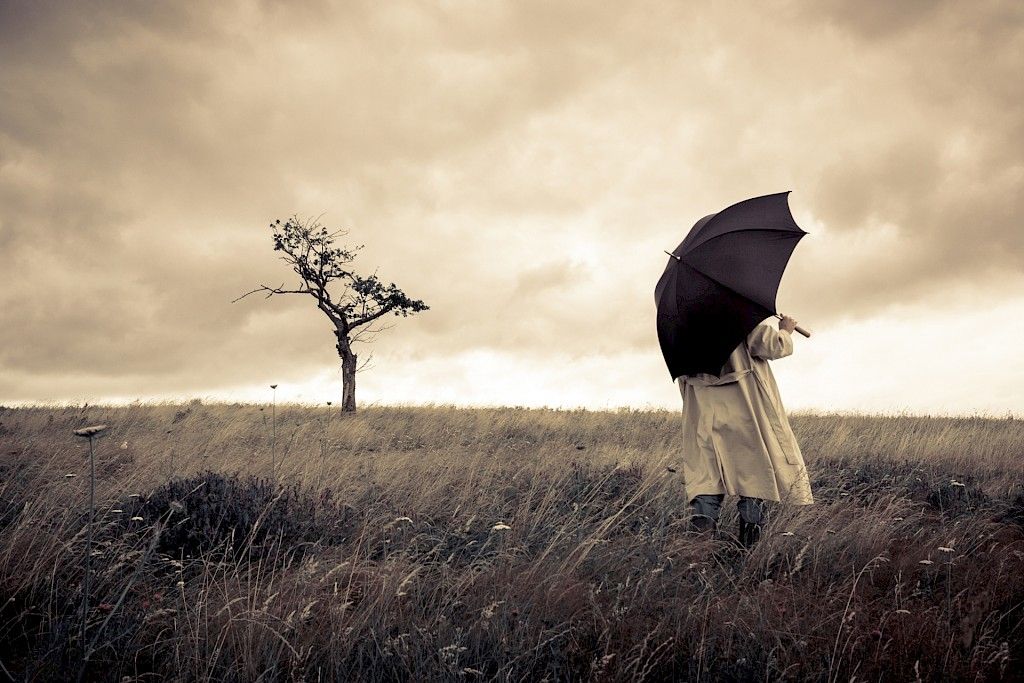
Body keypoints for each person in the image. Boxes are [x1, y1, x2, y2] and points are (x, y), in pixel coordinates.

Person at [676, 315, 814, 548]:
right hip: (746, 416)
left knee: (707, 482)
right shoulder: (739, 319)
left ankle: (696, 558)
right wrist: (785, 330)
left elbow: (683, 382)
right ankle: (748, 555)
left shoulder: (682, 334)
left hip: (705, 419)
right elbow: (774, 346)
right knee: (754, 481)